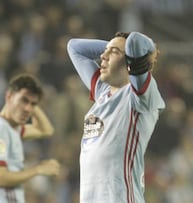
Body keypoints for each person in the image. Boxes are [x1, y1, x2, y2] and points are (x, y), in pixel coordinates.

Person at [67, 31, 165, 203]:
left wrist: (141, 53)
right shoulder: (102, 92)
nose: (102, 56)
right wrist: (113, 48)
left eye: (113, 52)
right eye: (105, 51)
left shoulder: (140, 96)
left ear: (130, 61)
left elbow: (136, 40)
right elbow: (74, 47)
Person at [0, 73, 60, 203]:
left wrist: (32, 101)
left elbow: (46, 130)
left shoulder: (12, 129)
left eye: (33, 104)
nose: (28, 109)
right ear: (9, 97)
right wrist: (38, 169)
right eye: (23, 100)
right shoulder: (0, 129)